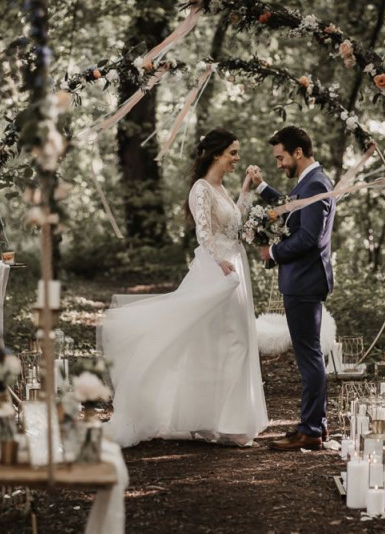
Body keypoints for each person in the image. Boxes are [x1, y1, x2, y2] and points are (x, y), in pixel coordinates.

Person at [100, 128, 269, 447]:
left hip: (235, 266)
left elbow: (235, 221)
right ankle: (217, 421)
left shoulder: (221, 187)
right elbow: (204, 234)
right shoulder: (201, 189)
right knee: (223, 341)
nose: (237, 158)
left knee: (236, 339)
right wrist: (221, 263)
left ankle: (225, 419)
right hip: (217, 268)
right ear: (217, 154)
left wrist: (247, 187)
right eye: (233, 152)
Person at [248, 126, 335, 451]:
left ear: (298, 152)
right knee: (308, 354)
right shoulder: (310, 182)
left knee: (308, 356)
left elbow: (308, 237)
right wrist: (261, 188)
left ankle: (310, 429)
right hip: (304, 280)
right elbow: (291, 207)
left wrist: (273, 252)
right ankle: (316, 425)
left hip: (304, 281)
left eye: (281, 157)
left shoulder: (315, 183)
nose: (279, 163)